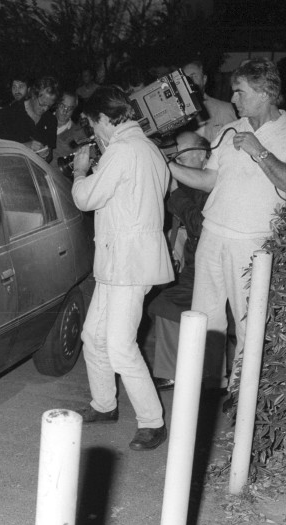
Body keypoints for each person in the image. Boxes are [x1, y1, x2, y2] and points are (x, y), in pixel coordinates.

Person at [168, 57, 286, 393]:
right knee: (205, 318)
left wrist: (260, 153)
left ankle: (241, 394)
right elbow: (209, 179)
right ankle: (206, 387)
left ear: (264, 92)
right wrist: (167, 166)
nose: (234, 100)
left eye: (240, 92)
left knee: (248, 323)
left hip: (254, 243)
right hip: (213, 236)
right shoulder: (232, 130)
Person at [71, 85, 173, 451]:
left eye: (92, 124)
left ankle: (152, 422)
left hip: (127, 263)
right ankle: (104, 404)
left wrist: (81, 172)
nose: (93, 133)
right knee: (92, 336)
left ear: (103, 118)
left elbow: (85, 198)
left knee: (118, 345)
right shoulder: (148, 148)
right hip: (121, 261)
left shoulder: (121, 150)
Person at [147, 132, 213, 390]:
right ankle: (200, 373)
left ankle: (175, 371)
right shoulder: (189, 184)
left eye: (181, 151)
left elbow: (199, 224)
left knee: (168, 304)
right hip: (193, 264)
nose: (175, 156)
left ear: (202, 155)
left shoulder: (211, 185)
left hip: (207, 266)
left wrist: (175, 191)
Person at [0, 76, 59, 162]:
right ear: (33, 95)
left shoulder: (51, 120)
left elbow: (49, 157)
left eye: (49, 106)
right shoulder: (9, 112)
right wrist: (24, 147)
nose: (45, 109)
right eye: (43, 104)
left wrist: (45, 154)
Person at [182, 59, 237, 143]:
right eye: (185, 78)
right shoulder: (176, 115)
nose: (189, 81)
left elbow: (232, 145)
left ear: (204, 79)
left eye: (194, 76)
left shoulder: (224, 109)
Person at [51, 91, 87, 165]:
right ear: (57, 104)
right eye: (62, 106)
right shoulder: (42, 119)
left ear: (74, 110)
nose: (65, 111)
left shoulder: (79, 133)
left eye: (70, 108)